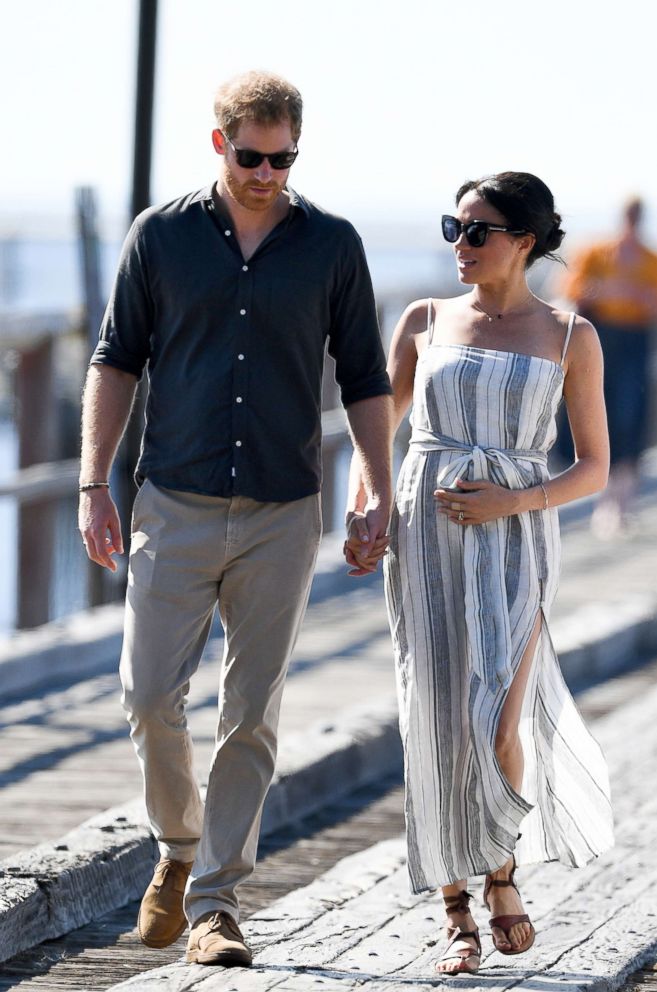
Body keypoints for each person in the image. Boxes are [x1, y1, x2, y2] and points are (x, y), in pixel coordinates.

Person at [78, 70, 392, 968]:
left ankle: (215, 902)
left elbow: (365, 375)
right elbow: (114, 359)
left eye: (283, 158)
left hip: (282, 510)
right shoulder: (162, 237)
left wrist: (374, 487)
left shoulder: (330, 244)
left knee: (250, 713)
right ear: (220, 144)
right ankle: (178, 847)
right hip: (170, 500)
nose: (267, 173)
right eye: (252, 156)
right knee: (147, 699)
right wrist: (94, 486)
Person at [345, 172, 613, 975]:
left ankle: (501, 868)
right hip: (425, 534)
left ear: (523, 240)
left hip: (517, 541)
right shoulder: (423, 321)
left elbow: (595, 468)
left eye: (476, 231)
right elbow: (377, 437)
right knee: (432, 716)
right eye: (451, 229)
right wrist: (364, 508)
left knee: (497, 717)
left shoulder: (570, 335)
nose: (458, 246)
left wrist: (512, 502)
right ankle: (455, 910)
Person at [563, 197, 657, 536]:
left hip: (633, 340)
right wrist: (611, 291)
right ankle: (602, 501)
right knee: (595, 413)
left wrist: (631, 296)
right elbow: (573, 287)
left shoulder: (649, 259)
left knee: (630, 414)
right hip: (600, 338)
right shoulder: (597, 252)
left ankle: (622, 499)